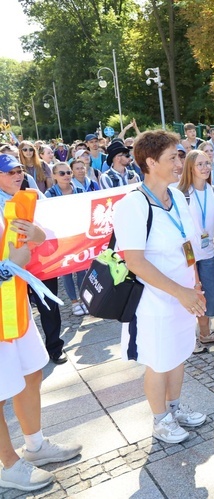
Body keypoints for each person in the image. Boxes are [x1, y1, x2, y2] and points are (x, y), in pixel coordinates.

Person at [113, 130, 208, 444]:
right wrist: (180, 292)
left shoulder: (177, 196)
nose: (179, 162)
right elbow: (134, 262)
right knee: (158, 360)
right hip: (153, 301)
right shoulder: (133, 204)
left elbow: (187, 243)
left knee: (179, 354)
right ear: (151, 162)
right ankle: (160, 419)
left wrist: (193, 283)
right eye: (173, 157)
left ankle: (175, 408)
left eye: (179, 155)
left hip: (183, 296)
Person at [0, 154, 82, 492]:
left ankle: (34, 446)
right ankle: (9, 465)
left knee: (32, 373)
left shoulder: (19, 201)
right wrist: (6, 267)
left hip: (15, 310)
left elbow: (43, 235)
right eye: (11, 171)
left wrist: (35, 233)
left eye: (19, 169)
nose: (18, 175)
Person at [177, 150, 214, 352]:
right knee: (192, 294)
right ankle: (189, 339)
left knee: (208, 297)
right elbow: (181, 233)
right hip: (188, 255)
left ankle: (206, 335)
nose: (205, 167)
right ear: (190, 167)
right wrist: (191, 263)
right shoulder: (182, 194)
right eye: (200, 164)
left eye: (207, 163)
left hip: (207, 253)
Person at [45, 163, 88, 317]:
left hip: (78, 235)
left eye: (69, 172)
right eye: (62, 173)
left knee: (82, 268)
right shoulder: (49, 195)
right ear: (54, 175)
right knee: (67, 271)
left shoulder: (80, 191)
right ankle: (74, 302)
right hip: (61, 237)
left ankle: (83, 299)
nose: (67, 175)